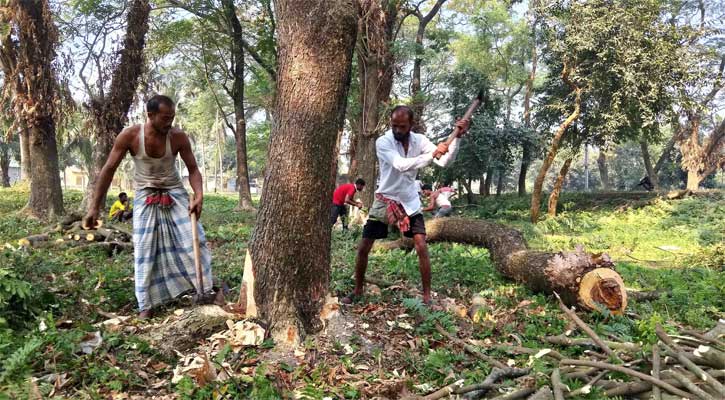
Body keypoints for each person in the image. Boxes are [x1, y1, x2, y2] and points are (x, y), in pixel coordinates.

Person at [83, 95, 213, 319]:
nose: (169, 123)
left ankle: (203, 290)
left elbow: (193, 169)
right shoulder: (130, 136)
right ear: (150, 115)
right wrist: (94, 207)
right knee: (144, 248)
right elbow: (109, 169)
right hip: (145, 194)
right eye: (164, 118)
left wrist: (199, 195)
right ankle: (146, 305)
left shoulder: (178, 136)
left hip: (174, 192)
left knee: (195, 240)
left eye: (171, 118)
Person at [342, 105, 469, 305]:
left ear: (411, 125)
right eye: (394, 126)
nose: (398, 130)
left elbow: (444, 162)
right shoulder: (383, 142)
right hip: (385, 200)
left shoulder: (420, 141)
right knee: (364, 247)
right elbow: (400, 165)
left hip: (409, 201)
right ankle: (357, 290)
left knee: (421, 246)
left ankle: (427, 297)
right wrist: (432, 154)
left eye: (402, 126)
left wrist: (457, 139)